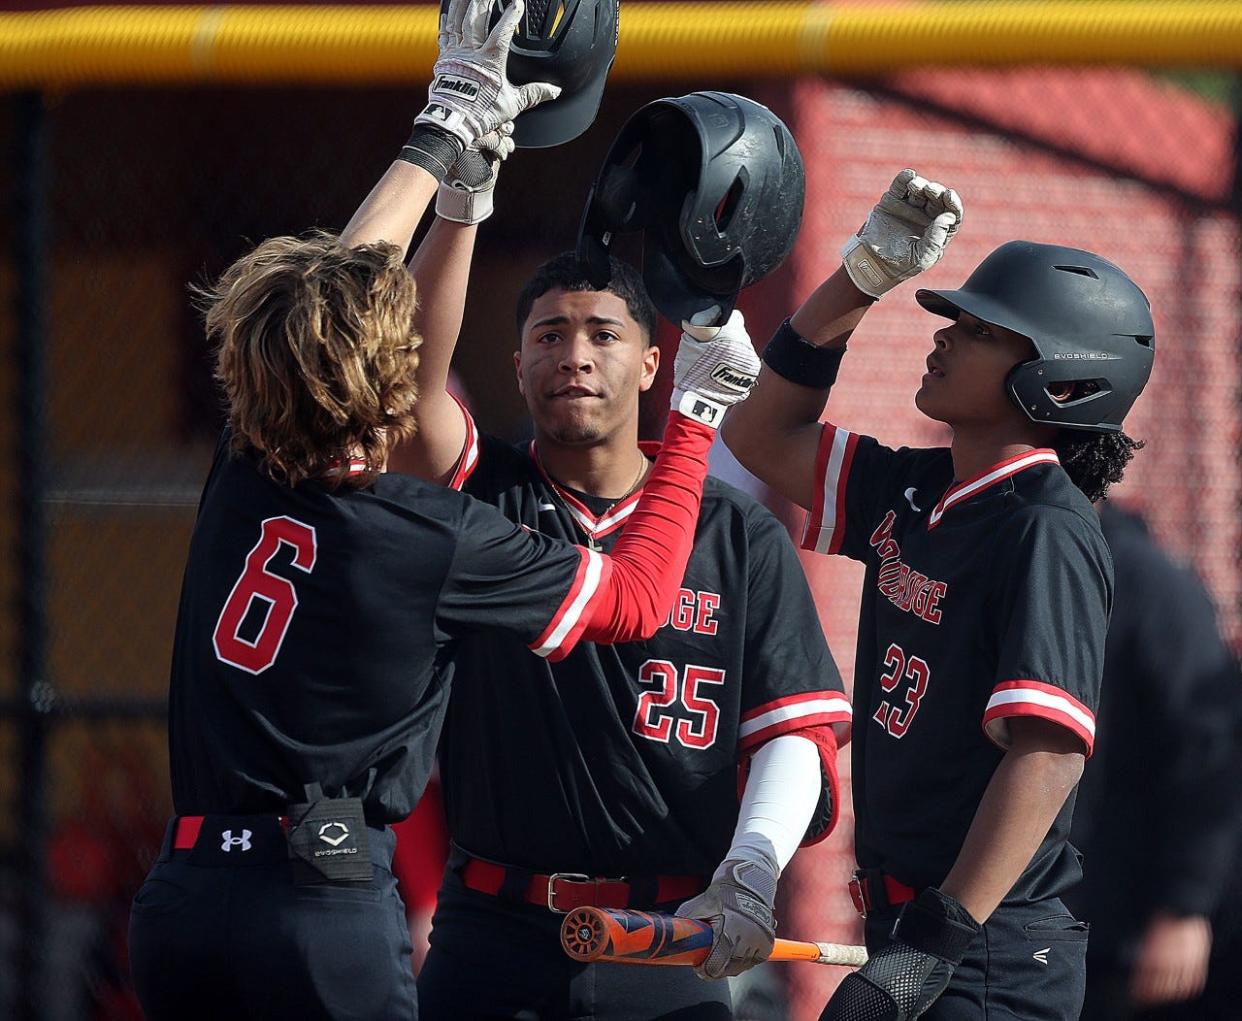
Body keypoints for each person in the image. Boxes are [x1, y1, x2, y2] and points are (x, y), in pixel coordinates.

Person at [125, 2, 761, 1017]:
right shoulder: (429, 532)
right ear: (393, 379)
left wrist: (447, 136)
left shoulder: (248, 462)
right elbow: (639, 598)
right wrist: (695, 417)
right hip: (317, 903)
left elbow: (326, 302)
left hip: (183, 899)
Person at [379, 101, 850, 1021]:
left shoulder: (738, 534)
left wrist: (752, 868)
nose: (575, 355)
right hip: (493, 928)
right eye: (548, 336)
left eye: (603, 334)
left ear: (652, 365)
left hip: (671, 931)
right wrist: (460, 199)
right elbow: (410, 388)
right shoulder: (484, 494)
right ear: (515, 367)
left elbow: (792, 728)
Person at [722, 169, 1156, 1021]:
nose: (946, 336)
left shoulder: (1044, 526)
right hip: (923, 928)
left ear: (1062, 382)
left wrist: (932, 944)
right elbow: (758, 431)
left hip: (984, 948)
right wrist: (862, 277)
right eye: (954, 317)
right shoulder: (921, 489)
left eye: (984, 330)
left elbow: (1048, 754)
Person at [1068, 502, 1242, 1021]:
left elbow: (1210, 754)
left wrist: (1185, 906)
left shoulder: (1152, 588)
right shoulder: (1016, 569)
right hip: (1051, 928)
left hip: (1131, 935)